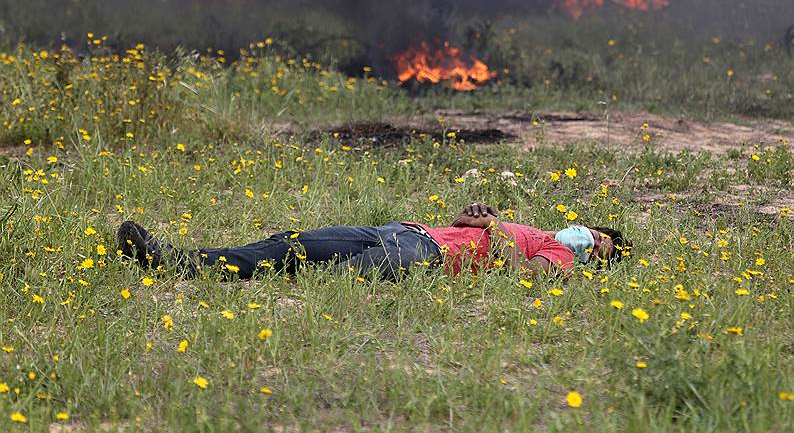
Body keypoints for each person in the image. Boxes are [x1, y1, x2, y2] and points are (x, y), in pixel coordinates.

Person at [117, 202, 629, 281]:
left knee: (347, 274)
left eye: (601, 247)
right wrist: (474, 216)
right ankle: (169, 258)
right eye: (598, 233)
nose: (592, 239)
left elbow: (520, 274)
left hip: (424, 254)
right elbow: (469, 231)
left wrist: (491, 231)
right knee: (291, 243)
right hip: (407, 231)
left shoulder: (561, 254)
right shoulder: (534, 228)